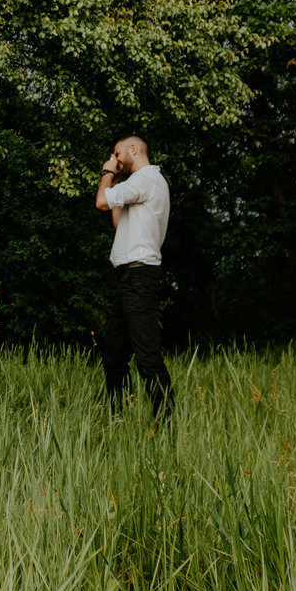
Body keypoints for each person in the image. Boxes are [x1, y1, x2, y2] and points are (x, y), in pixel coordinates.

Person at [95, 134, 172, 416]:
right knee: (114, 356)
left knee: (147, 357)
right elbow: (118, 221)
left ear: (132, 149)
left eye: (117, 155)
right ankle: (119, 417)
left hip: (140, 277)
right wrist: (116, 182)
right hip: (127, 279)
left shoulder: (146, 179)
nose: (116, 160)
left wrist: (106, 173)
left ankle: (165, 423)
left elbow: (101, 202)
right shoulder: (138, 185)